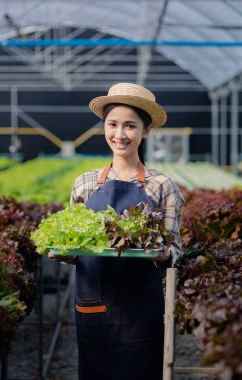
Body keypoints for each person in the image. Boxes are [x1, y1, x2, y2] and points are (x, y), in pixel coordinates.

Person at [50, 82, 184, 380]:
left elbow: (176, 252)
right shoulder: (84, 184)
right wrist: (61, 252)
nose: (120, 134)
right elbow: (77, 251)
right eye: (112, 124)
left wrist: (160, 251)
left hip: (141, 312)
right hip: (93, 304)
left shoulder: (162, 187)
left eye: (130, 126)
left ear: (146, 131)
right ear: (104, 126)